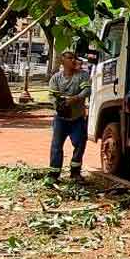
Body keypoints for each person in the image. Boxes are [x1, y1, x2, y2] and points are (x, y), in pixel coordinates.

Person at [48, 50, 91, 181]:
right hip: (60, 119)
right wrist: (59, 106)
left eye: (74, 58)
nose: (73, 60)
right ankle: (54, 174)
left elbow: (87, 90)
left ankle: (75, 172)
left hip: (77, 118)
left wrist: (76, 98)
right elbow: (52, 96)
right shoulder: (56, 78)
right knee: (56, 146)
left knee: (80, 143)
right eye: (70, 58)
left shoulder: (82, 75)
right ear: (63, 61)